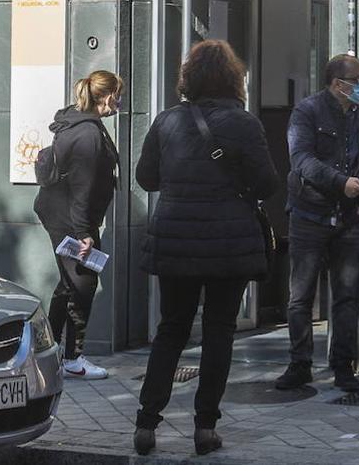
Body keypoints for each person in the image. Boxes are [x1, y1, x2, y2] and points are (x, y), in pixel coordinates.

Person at [134, 40, 277, 457]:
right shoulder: (245, 124)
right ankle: (204, 429)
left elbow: (146, 178)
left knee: (171, 330)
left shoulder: (167, 122)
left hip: (176, 238)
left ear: (188, 78)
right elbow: (267, 183)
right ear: (234, 79)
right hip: (228, 242)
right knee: (219, 332)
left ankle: (146, 423)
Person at [274, 54, 359, 394]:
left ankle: (343, 366)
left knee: (347, 296)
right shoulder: (307, 111)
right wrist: (339, 182)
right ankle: (300, 364)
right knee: (301, 296)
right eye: (358, 78)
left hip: (350, 218)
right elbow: (301, 160)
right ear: (338, 84)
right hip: (309, 215)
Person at [33, 70, 122, 381]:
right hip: (70, 220)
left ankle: (50, 350)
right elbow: (82, 186)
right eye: (118, 95)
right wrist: (84, 234)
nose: (119, 102)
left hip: (65, 216)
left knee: (68, 284)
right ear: (108, 96)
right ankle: (73, 358)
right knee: (83, 285)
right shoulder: (87, 134)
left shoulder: (78, 122)